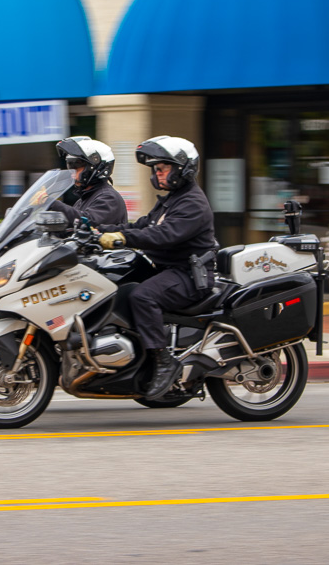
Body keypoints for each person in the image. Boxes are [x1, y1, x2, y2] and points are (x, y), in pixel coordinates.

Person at [97, 135, 217, 400]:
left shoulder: (193, 203)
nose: (157, 174)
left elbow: (165, 235)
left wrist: (124, 239)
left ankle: (164, 362)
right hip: (168, 270)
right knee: (118, 286)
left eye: (163, 169)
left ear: (183, 168)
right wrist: (96, 231)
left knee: (143, 296)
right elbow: (141, 226)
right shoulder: (171, 199)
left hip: (189, 275)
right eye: (155, 169)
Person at [43, 136, 128, 227]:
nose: (72, 173)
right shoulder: (83, 200)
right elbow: (73, 228)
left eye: (77, 167)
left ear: (95, 168)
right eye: (71, 168)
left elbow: (88, 222)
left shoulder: (109, 198)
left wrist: (51, 203)